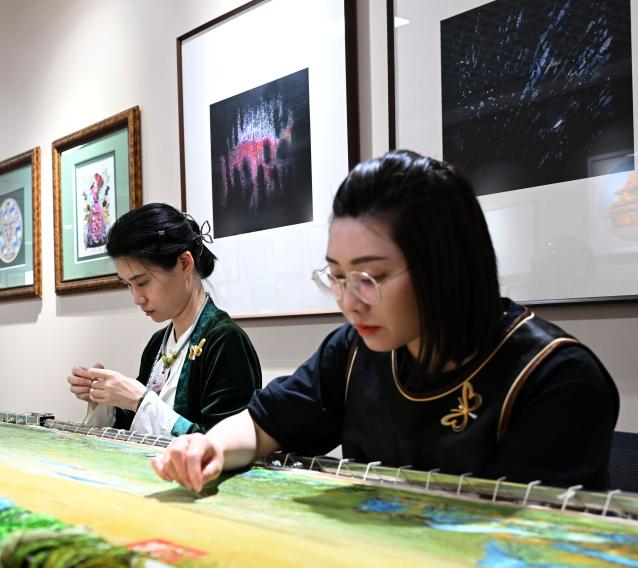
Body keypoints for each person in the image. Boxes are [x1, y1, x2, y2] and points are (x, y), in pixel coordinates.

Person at [152, 150, 619, 492]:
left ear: (445, 266)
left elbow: (529, 548)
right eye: (337, 278)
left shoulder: (553, 376)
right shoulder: (354, 350)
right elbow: (261, 425)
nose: (350, 303)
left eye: (369, 278)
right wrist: (208, 447)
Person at [68, 202, 261, 437]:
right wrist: (104, 399)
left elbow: (225, 445)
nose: (137, 298)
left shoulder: (225, 341)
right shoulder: (158, 344)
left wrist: (140, 400)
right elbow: (138, 426)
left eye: (142, 282)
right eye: (128, 285)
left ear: (184, 264)